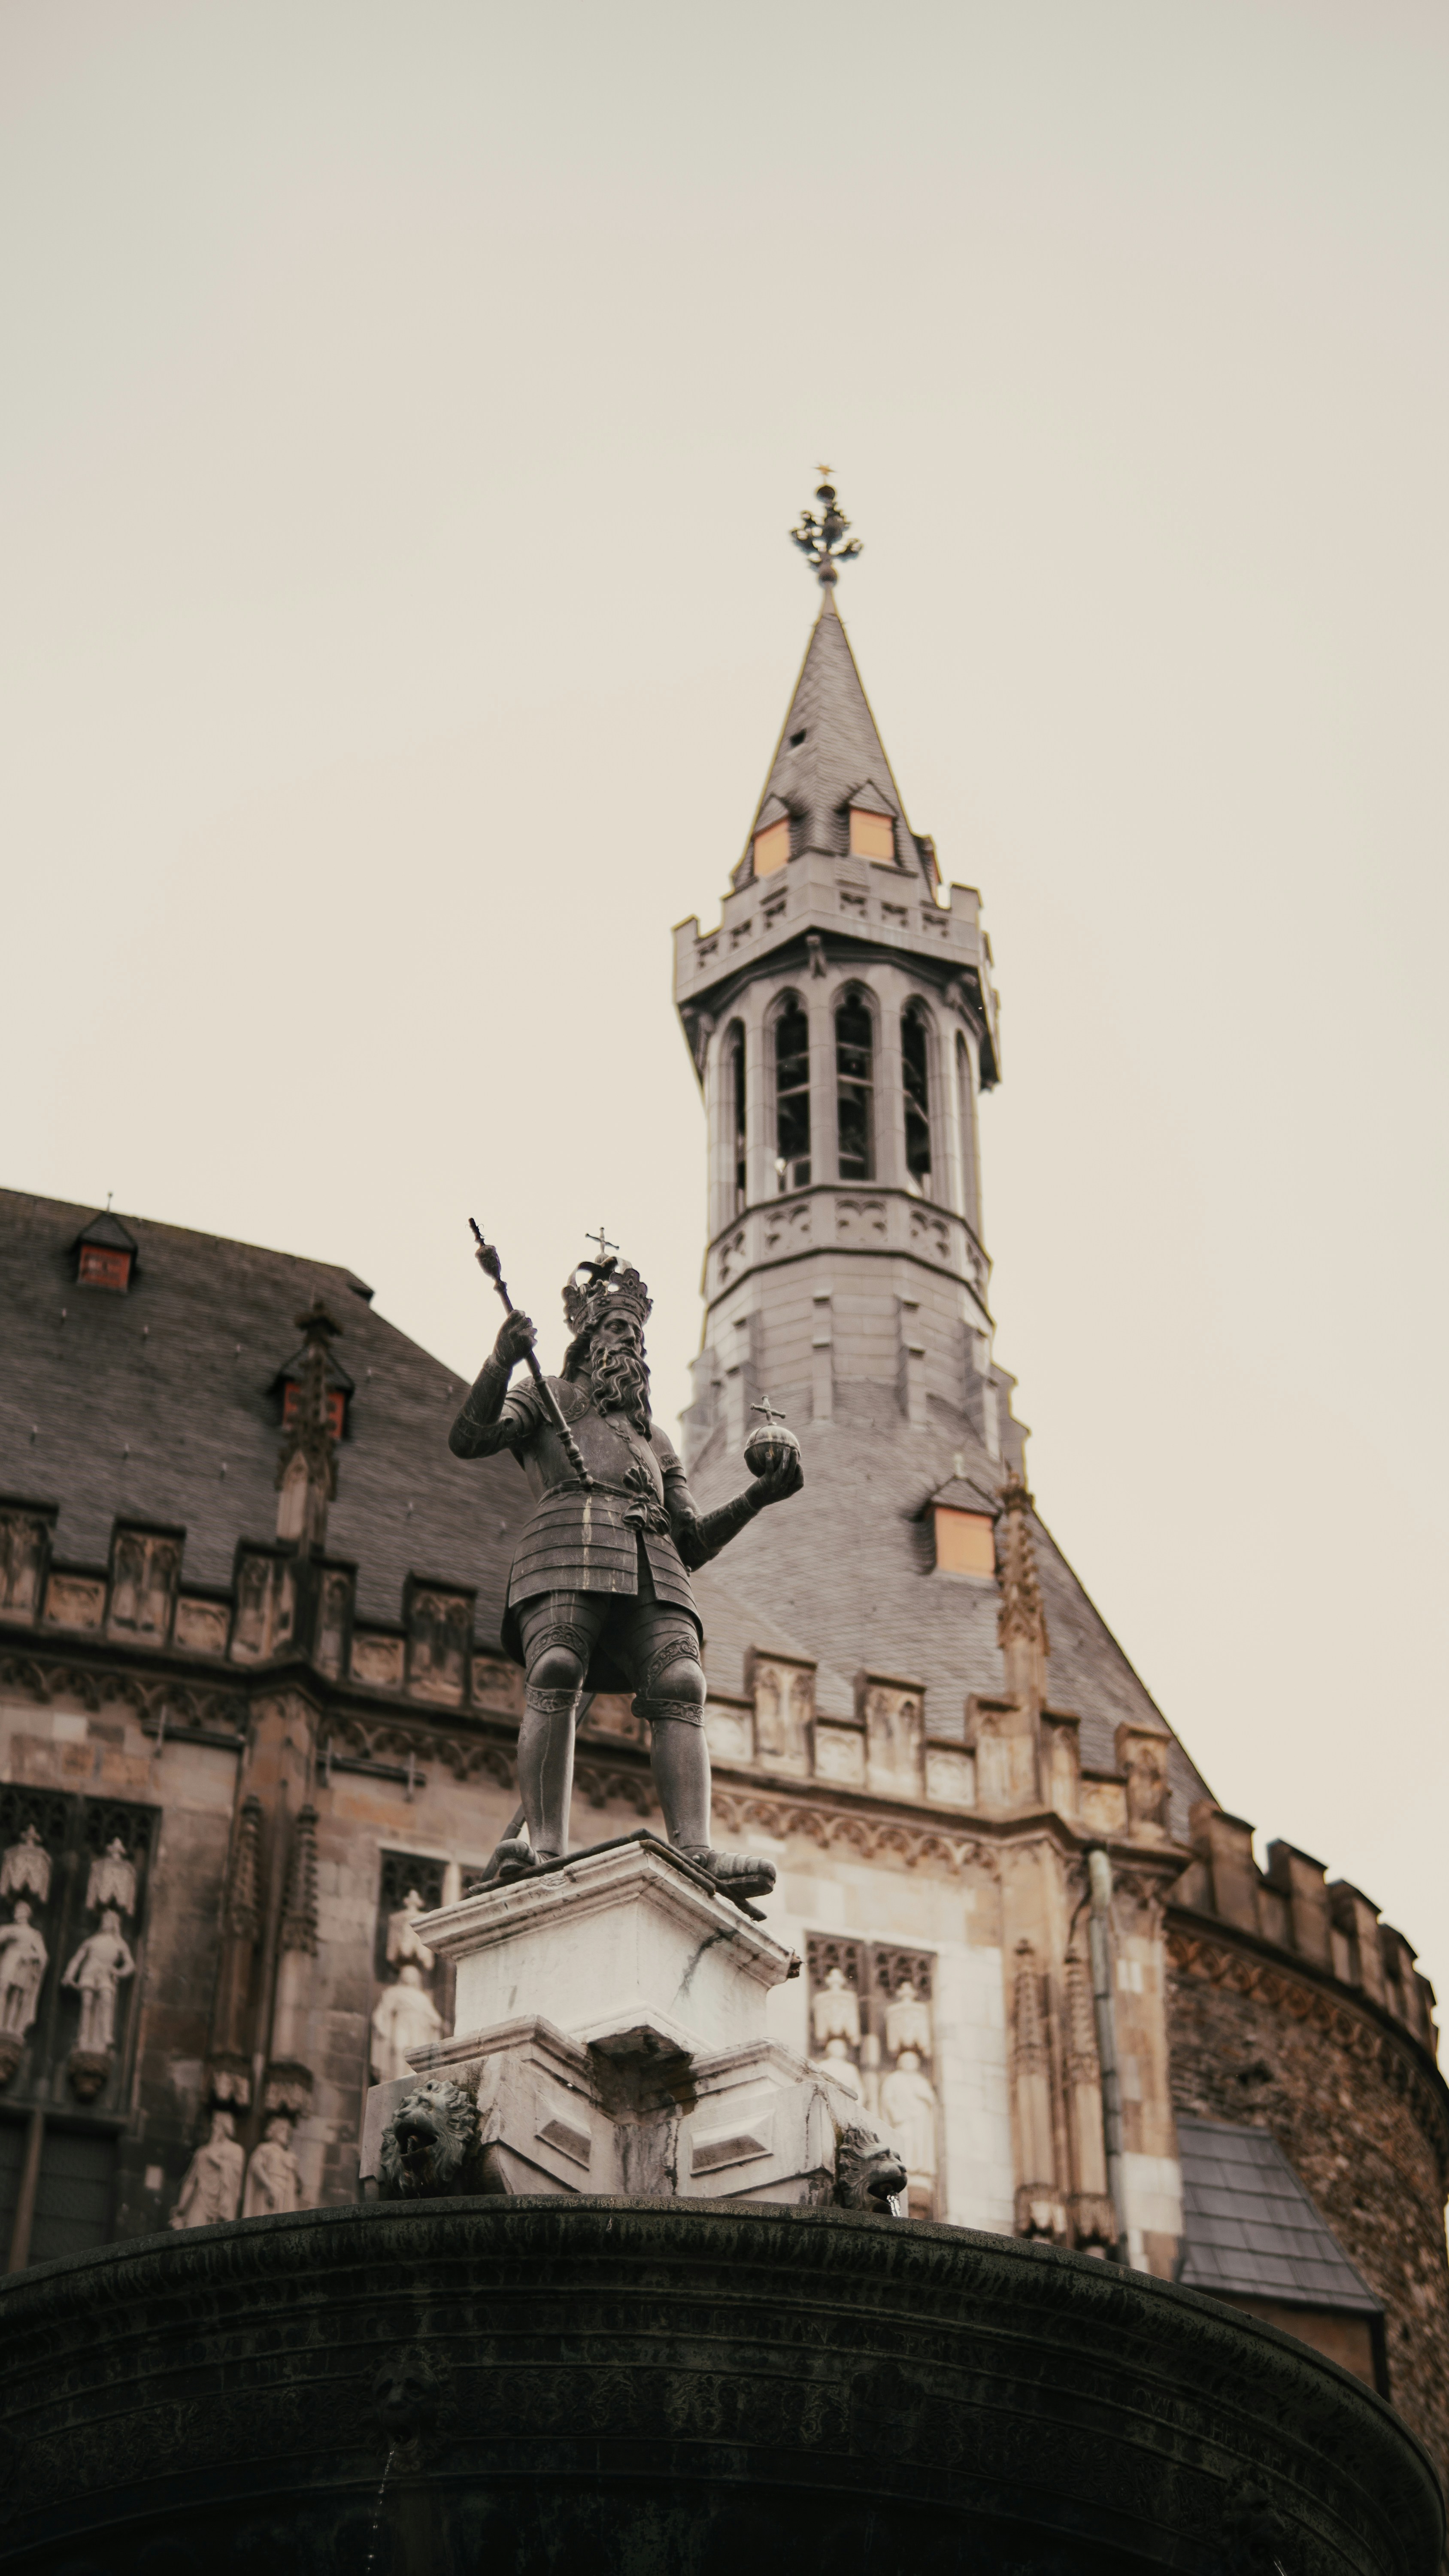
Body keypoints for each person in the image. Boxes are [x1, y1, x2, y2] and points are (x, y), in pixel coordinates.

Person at [449, 1254, 802, 1897]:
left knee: (682, 1679)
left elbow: (691, 1540)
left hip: (654, 1563)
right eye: (617, 1330)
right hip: (564, 1545)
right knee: (556, 1667)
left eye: (636, 1335)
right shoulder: (549, 1397)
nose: (630, 1344)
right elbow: (469, 1438)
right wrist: (501, 1359)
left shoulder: (657, 1440)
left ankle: (694, 1849)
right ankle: (545, 1847)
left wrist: (759, 1498)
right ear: (586, 1341)